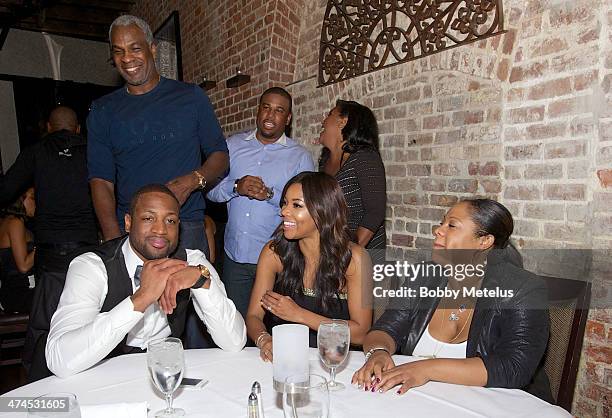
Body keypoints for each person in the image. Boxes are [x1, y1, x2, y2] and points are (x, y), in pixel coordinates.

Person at [87, 15, 229, 348]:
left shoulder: (190, 97)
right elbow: (101, 181)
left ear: (152, 49)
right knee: (135, 326)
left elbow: (219, 156)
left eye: (135, 48)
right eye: (119, 51)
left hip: (187, 228)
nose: (127, 58)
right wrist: (112, 239)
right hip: (131, 232)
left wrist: (192, 180)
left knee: (199, 322)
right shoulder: (104, 111)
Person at [351, 199, 550, 399]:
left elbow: (512, 368)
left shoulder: (523, 290)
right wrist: (378, 353)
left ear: (484, 241)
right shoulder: (424, 276)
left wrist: (426, 369)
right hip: (419, 401)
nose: (438, 230)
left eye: (452, 225)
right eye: (442, 223)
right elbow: (385, 329)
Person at [46, 184, 246, 378]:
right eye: (149, 218)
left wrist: (202, 283)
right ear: (128, 223)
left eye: (170, 221)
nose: (160, 230)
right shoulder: (93, 266)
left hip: (164, 373)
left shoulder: (192, 262)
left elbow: (234, 341)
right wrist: (141, 298)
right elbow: (59, 360)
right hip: (99, 376)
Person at [0, 105, 98, 379]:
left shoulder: (36, 151)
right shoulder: (92, 150)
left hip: (51, 253)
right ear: (77, 128)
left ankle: (44, 383)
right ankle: (88, 377)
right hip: (86, 248)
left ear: (48, 128)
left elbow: (7, 189)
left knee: (49, 319)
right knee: (88, 315)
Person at [207, 87, 315, 318]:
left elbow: (308, 208)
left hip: (280, 258)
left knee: (276, 326)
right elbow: (211, 192)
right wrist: (236, 187)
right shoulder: (232, 146)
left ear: (287, 119)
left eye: (279, 111)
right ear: (258, 110)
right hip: (235, 257)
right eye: (266, 107)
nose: (270, 115)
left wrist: (269, 195)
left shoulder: (300, 156)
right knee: (235, 325)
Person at [245, 172, 372, 360]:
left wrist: (299, 315)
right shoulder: (274, 253)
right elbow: (253, 316)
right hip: (284, 357)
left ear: (322, 211)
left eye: (296, 205)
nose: (284, 212)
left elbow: (361, 333)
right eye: (285, 203)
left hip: (335, 361)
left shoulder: (355, 259)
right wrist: (264, 340)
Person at [318, 100, 386, 255]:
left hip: (362, 258)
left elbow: (375, 213)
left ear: (343, 122)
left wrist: (349, 253)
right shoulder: (324, 162)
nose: (323, 121)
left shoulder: (364, 158)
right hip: (331, 251)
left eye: (330, 115)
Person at [0, 189, 36, 313]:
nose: (37, 203)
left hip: (15, 290)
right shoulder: (15, 223)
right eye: (33, 198)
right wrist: (45, 242)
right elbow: (24, 266)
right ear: (21, 199)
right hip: (19, 292)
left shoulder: (8, 221)